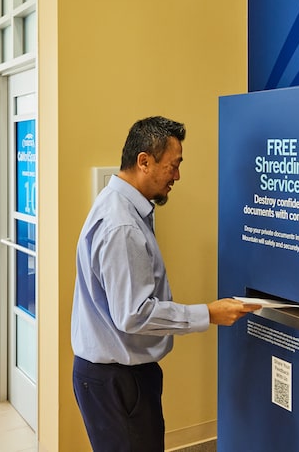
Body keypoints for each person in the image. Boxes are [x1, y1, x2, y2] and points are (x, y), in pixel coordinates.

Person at [71, 115, 260, 451]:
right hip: (119, 380)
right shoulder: (123, 226)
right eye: (173, 165)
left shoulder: (118, 205)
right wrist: (209, 314)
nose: (177, 176)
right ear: (143, 161)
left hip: (113, 375)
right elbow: (133, 314)